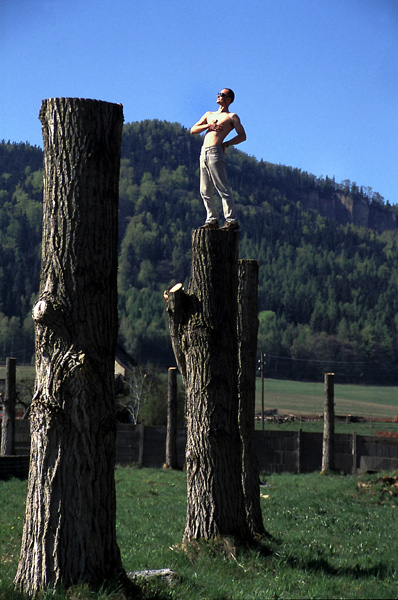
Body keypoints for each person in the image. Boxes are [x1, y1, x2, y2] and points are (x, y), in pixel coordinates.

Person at [190, 88, 246, 230]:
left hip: (216, 151)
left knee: (222, 187)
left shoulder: (231, 117)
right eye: (218, 93)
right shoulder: (209, 115)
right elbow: (193, 130)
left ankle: (231, 220)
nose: (218, 96)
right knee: (205, 189)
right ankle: (212, 220)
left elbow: (242, 136)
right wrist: (208, 125)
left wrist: (226, 144)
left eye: (222, 95)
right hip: (204, 152)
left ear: (228, 99)